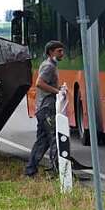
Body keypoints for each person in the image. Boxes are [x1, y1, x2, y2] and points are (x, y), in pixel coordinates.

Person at [26, 40, 65, 177]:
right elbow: (39, 83)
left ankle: (30, 170)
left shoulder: (50, 65)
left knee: (42, 141)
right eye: (59, 51)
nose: (62, 53)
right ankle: (56, 171)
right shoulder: (49, 66)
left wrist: (58, 89)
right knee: (54, 138)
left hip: (42, 108)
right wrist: (56, 91)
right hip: (47, 108)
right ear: (50, 52)